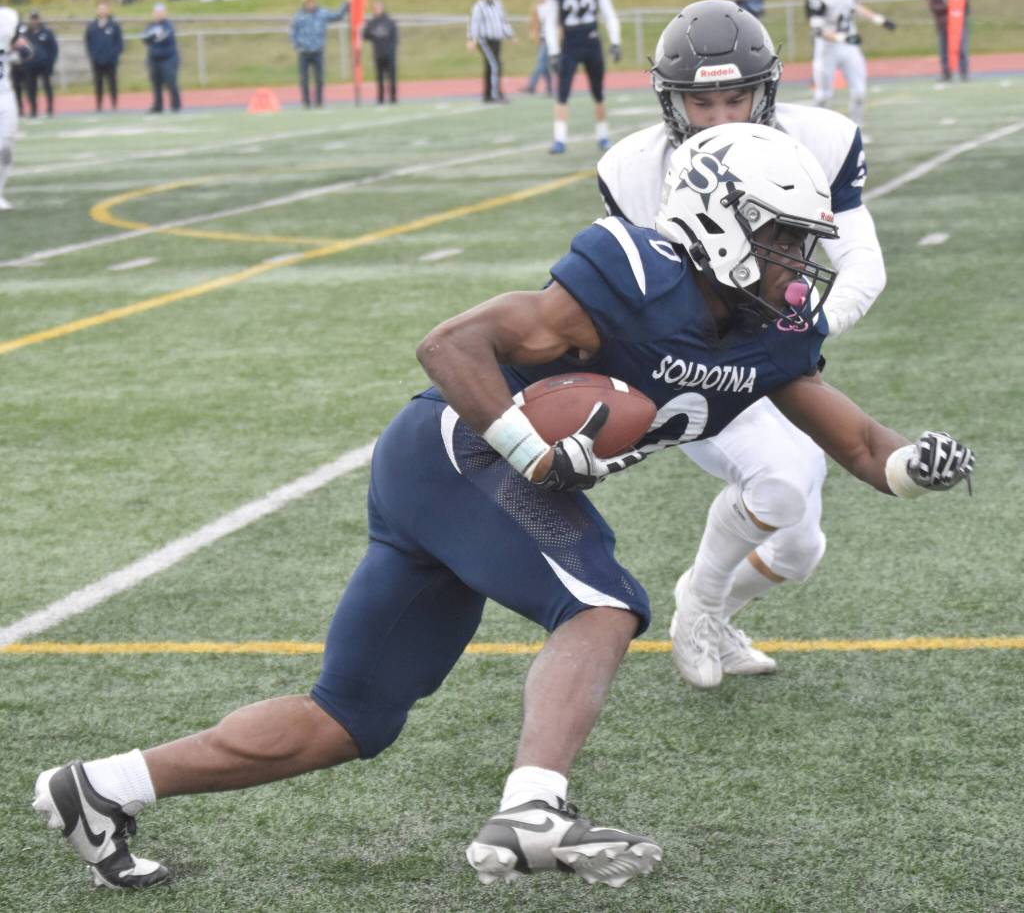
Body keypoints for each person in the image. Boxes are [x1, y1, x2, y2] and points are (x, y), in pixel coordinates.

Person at [31, 122, 974, 891]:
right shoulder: (633, 274)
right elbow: (449, 346)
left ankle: (100, 787)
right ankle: (534, 810)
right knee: (602, 606)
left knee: (352, 717)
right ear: (722, 221)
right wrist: (530, 445)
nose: (793, 264)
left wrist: (912, 467)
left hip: (458, 482)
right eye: (777, 239)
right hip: (461, 446)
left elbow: (856, 443)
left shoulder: (772, 334)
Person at [597, 0, 889, 687]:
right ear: (673, 104)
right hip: (702, 362)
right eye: (704, 103)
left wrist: (803, 333)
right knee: (782, 486)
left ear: (767, 92)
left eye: (738, 97)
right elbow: (631, 297)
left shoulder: (821, 139)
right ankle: (697, 605)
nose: (724, 116)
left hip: (782, 359)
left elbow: (863, 262)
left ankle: (716, 614)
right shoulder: (634, 170)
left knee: (799, 549)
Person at [544, 0, 622, 154]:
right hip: (569, 45)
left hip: (591, 42)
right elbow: (549, 22)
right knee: (562, 93)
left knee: (598, 92)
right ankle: (559, 139)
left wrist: (615, 41)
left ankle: (603, 135)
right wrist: (553, 52)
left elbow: (609, 14)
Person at [805, 0, 897, 129]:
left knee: (859, 92)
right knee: (823, 96)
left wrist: (879, 19)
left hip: (849, 46)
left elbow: (853, 6)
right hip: (827, 48)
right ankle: (811, 129)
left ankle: (856, 130)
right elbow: (818, 30)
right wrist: (843, 37)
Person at [290, 0, 350, 109]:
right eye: (308, 2)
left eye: (312, 1)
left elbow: (337, 16)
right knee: (304, 79)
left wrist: (347, 4)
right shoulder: (298, 16)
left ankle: (319, 102)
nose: (310, 4)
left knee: (319, 78)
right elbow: (293, 31)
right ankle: (306, 102)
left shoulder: (322, 13)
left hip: (318, 51)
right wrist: (296, 45)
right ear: (304, 3)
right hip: (304, 52)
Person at [0, 8, 29, 210]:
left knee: (6, 144)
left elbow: (24, 50)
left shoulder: (8, 17)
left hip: (4, 92)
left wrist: (18, 53)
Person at [466, 0, 514, 104]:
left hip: (496, 40)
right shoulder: (478, 6)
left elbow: (503, 21)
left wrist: (510, 35)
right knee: (495, 65)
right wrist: (472, 39)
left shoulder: (498, 3)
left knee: (491, 66)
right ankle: (494, 94)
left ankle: (487, 94)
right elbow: (474, 23)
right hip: (485, 40)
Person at [85, 2, 124, 112]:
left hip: (110, 61)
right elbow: (88, 42)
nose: (102, 11)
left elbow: (119, 43)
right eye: (100, 9)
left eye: (104, 9)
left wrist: (114, 55)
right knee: (98, 83)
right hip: (97, 60)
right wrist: (93, 55)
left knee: (112, 83)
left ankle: (114, 104)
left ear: (108, 10)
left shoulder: (114, 25)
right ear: (97, 11)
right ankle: (99, 105)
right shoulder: (92, 26)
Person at [142, 4, 180, 114]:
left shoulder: (168, 25)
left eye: (160, 12)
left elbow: (164, 36)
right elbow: (145, 39)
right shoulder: (150, 26)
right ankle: (158, 106)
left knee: (170, 82)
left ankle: (175, 105)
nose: (158, 14)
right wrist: (152, 36)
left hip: (168, 58)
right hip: (154, 58)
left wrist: (153, 36)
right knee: (156, 83)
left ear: (164, 13)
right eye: (156, 12)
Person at [361, 1, 398, 105]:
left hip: (389, 55)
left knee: (391, 78)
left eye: (378, 8)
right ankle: (380, 99)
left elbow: (395, 39)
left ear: (382, 8)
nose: (376, 10)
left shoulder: (389, 22)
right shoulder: (372, 23)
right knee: (379, 79)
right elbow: (365, 36)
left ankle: (393, 98)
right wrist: (365, 29)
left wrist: (391, 51)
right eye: (375, 8)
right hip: (378, 54)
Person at [925, 0, 969, 82]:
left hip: (958, 24)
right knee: (944, 50)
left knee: (961, 48)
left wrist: (957, 9)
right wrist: (950, 7)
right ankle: (946, 74)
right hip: (943, 25)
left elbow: (965, 5)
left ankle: (964, 73)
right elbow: (934, 7)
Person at [25, 11, 58, 118]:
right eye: (32, 18)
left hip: (44, 65)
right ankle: (33, 109)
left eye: (36, 18)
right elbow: (22, 48)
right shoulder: (26, 33)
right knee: (31, 88)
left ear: (39, 19)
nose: (34, 21)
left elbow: (53, 49)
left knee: (47, 86)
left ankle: (50, 107)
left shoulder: (47, 32)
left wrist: (50, 63)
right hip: (31, 66)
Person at [523, 0, 553, 96]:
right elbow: (533, 23)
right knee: (544, 65)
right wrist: (533, 34)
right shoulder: (536, 8)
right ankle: (549, 88)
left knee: (541, 62)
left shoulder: (552, 5)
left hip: (551, 38)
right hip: (542, 38)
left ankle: (531, 86)